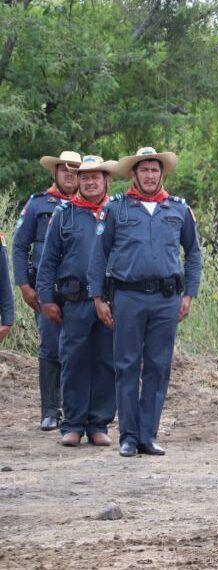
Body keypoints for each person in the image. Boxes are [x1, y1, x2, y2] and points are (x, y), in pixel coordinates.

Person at [89, 147, 202, 457]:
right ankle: (127, 436)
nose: (150, 175)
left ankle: (148, 435)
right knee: (126, 366)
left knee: (158, 366)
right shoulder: (116, 209)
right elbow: (99, 254)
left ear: (161, 173)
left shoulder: (177, 209)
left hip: (167, 299)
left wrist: (189, 294)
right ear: (134, 174)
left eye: (155, 170)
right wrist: (98, 297)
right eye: (144, 170)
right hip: (127, 297)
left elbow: (192, 253)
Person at [36, 155, 118, 447]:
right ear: (79, 181)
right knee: (73, 362)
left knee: (106, 362)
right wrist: (46, 299)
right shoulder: (64, 214)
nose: (90, 181)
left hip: (109, 301)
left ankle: (98, 424)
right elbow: (47, 262)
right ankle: (72, 425)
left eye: (96, 177)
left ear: (106, 180)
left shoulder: (117, 211)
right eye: (85, 177)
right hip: (74, 301)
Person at [14, 150, 81, 430]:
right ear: (55, 172)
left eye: (75, 171)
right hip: (46, 290)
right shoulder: (39, 203)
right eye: (64, 170)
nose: (69, 175)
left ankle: (74, 408)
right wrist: (25, 286)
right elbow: (19, 246)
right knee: (50, 349)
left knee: (78, 349)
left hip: (79, 291)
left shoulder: (88, 206)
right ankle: (50, 411)